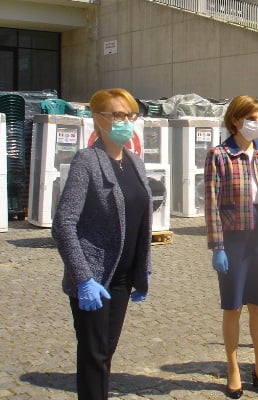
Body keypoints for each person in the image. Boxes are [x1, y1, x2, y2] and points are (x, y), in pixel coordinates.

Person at [52, 88, 152, 400]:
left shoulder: (135, 162)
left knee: (106, 351)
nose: (126, 121)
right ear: (98, 118)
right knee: (93, 356)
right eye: (118, 115)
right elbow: (63, 223)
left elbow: (141, 219)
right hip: (95, 277)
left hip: (123, 278)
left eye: (130, 115)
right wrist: (83, 278)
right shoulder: (87, 160)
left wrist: (143, 269)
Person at [205, 95, 258, 399]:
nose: (256, 123)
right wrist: (218, 246)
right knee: (233, 306)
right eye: (251, 118)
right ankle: (233, 368)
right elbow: (212, 203)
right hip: (234, 237)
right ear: (235, 120)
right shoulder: (219, 155)